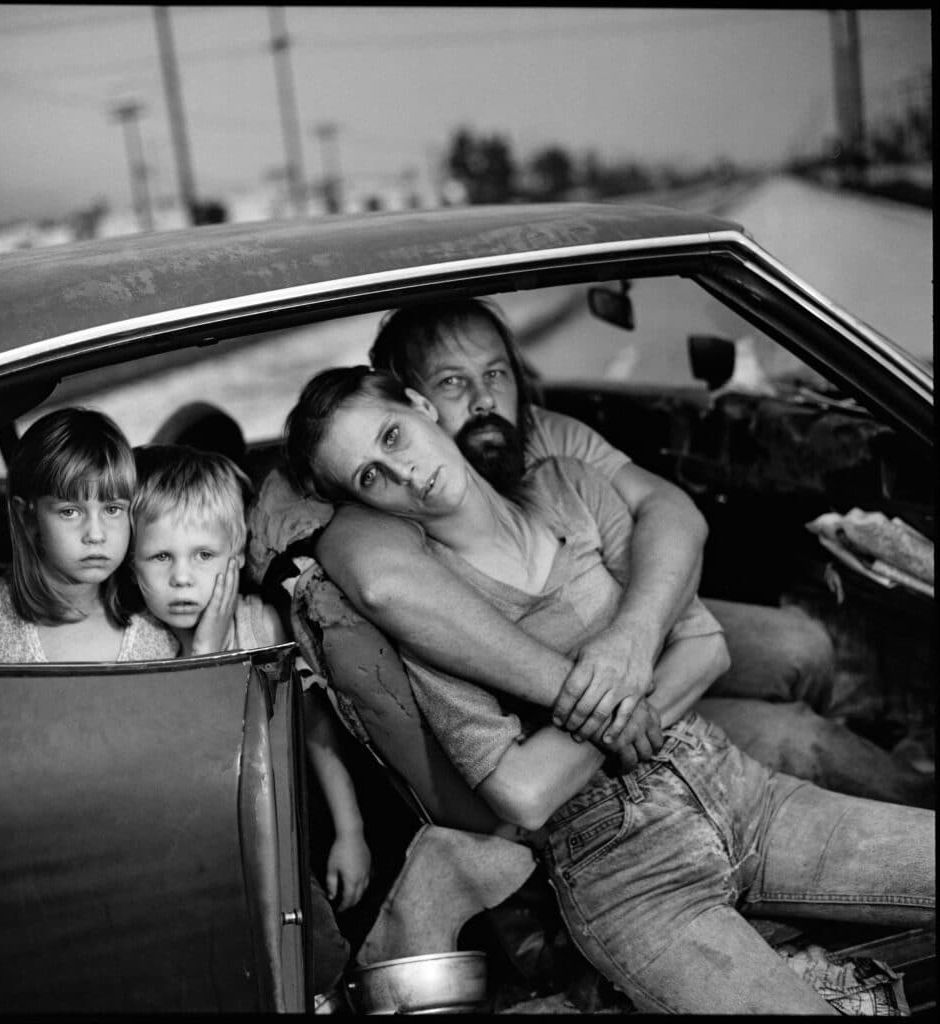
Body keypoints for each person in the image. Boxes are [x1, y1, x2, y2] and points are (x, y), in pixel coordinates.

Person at [283, 366, 935, 1014]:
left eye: (394, 436)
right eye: (371, 476)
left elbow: (708, 648)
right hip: (621, 867)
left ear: (423, 406)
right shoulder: (430, 618)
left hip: (739, 785)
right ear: (366, 505)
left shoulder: (570, 487)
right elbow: (522, 793)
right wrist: (626, 709)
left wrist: (624, 658)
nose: (404, 473)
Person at [299, 298, 925, 804]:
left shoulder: (547, 437)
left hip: (641, 637)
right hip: (577, 719)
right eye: (454, 383)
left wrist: (634, 637)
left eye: (496, 374)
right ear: (419, 401)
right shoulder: (391, 493)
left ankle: (799, 785)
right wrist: (605, 700)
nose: (485, 399)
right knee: (799, 741)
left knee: (803, 646)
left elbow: (673, 512)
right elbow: (380, 579)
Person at [128, 444, 372, 918]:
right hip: (186, 853)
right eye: (160, 556)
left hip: (279, 833)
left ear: (236, 557)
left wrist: (351, 830)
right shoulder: (135, 644)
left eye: (203, 554)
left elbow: (314, 729)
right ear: (132, 564)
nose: (182, 577)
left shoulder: (264, 627)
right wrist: (205, 655)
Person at [0, 407, 177, 664]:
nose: (95, 535)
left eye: (113, 509)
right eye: (70, 512)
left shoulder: (156, 624)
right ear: (27, 517)